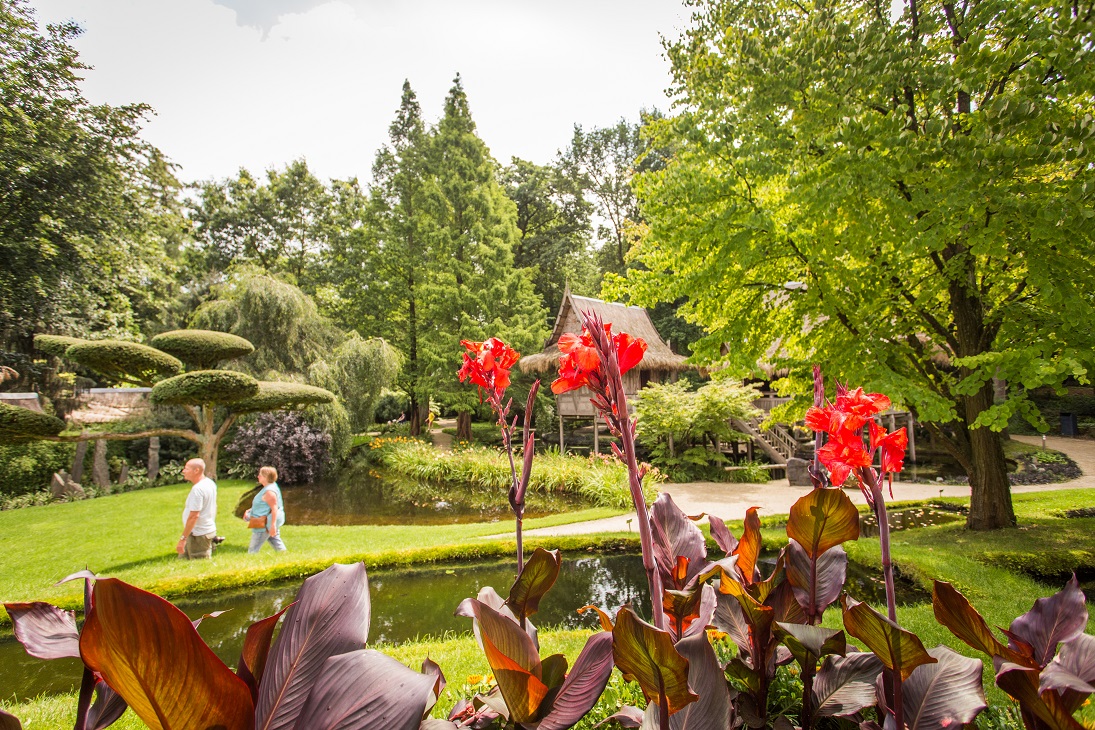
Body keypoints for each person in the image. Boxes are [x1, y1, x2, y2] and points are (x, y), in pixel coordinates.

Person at [178, 458, 217, 559]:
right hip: (198, 532)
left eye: (186, 469)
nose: (183, 471)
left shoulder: (198, 489)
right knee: (182, 563)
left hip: (199, 535)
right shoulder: (209, 483)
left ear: (196, 471)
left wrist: (183, 538)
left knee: (200, 567)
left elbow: (194, 516)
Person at [243, 466, 286, 554]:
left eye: (260, 475)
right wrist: (250, 510)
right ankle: (285, 558)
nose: (258, 476)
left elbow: (274, 508)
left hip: (263, 524)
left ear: (266, 477)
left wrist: (272, 526)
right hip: (267, 523)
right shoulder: (271, 486)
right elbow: (263, 504)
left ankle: (252, 565)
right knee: (275, 541)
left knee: (253, 550)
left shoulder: (269, 492)